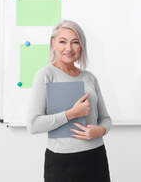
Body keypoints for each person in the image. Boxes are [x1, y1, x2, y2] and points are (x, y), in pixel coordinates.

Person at [27, 20, 112, 182]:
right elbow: (33, 124)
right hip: (61, 162)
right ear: (53, 43)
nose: (69, 48)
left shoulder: (89, 77)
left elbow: (105, 119)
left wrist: (100, 131)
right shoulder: (45, 75)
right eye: (62, 42)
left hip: (96, 157)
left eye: (75, 42)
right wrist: (71, 114)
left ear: (81, 46)